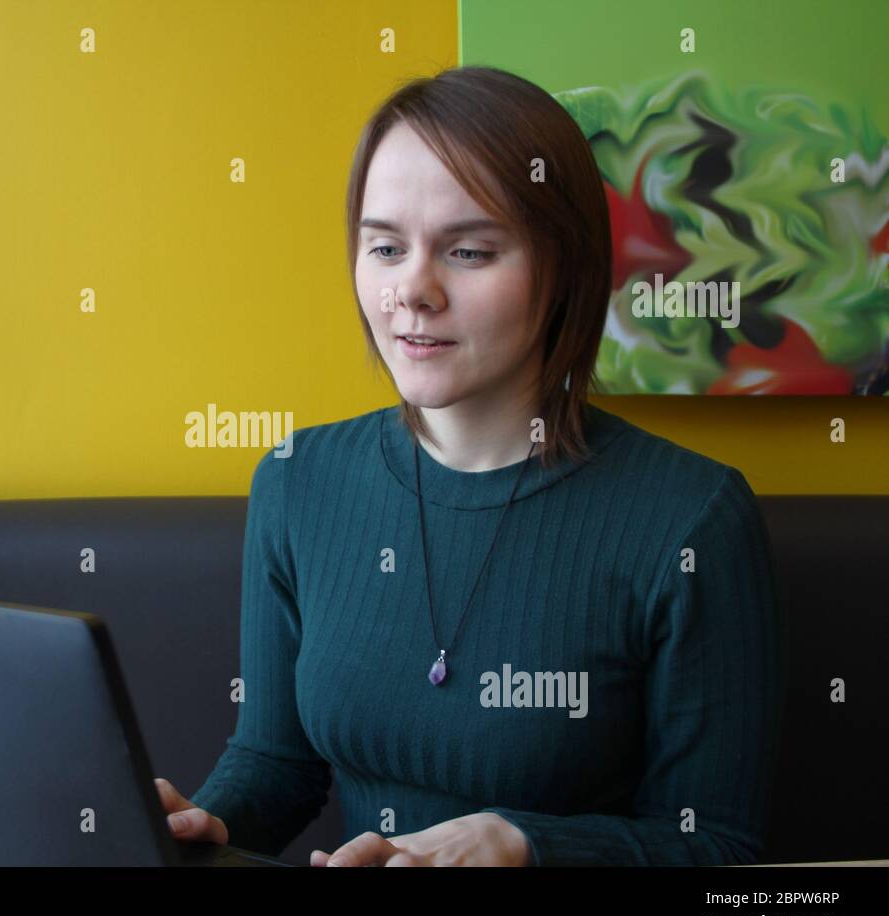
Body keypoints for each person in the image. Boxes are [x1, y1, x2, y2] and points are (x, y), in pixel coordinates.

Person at [156, 65, 785, 866]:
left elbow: (721, 850)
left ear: (564, 270)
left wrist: (525, 845)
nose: (412, 290)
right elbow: (277, 766)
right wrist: (206, 824)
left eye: (470, 250)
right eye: (385, 246)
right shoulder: (296, 479)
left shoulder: (693, 519)